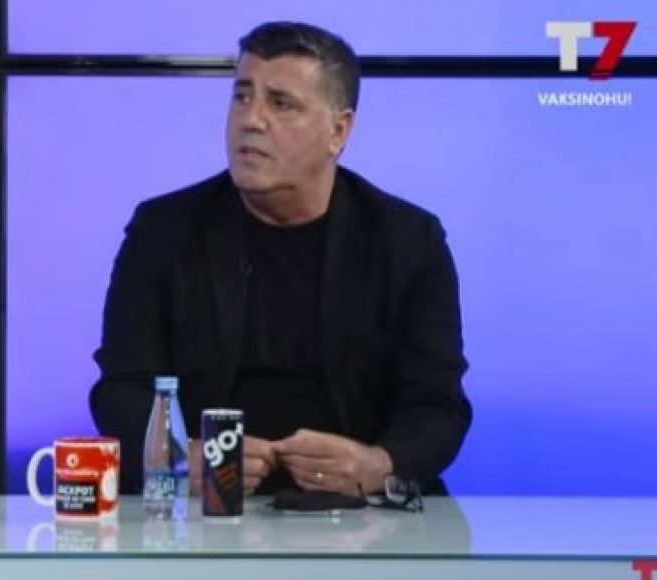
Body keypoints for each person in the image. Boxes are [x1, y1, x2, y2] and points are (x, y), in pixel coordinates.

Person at [89, 21, 472, 496]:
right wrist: (181, 458)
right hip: (208, 513)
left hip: (360, 517)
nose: (251, 120)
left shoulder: (408, 241)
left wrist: (377, 466)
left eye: (281, 103)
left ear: (338, 131)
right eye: (242, 96)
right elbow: (122, 388)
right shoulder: (163, 231)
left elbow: (438, 404)